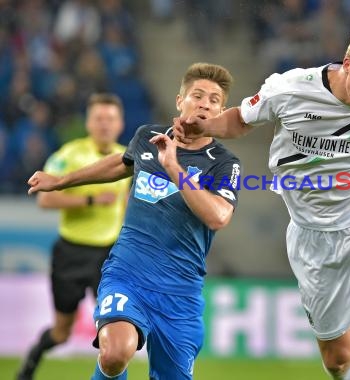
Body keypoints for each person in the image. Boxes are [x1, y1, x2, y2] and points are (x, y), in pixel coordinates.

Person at [176, 23, 350, 380]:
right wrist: (204, 127)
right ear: (347, 63)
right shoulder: (290, 88)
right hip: (313, 234)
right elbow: (240, 121)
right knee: (337, 360)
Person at [27, 63, 241, 380]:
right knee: (114, 353)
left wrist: (175, 170)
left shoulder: (224, 163)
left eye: (213, 99)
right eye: (197, 95)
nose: (204, 103)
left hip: (179, 291)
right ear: (180, 100)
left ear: (221, 111)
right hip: (128, 273)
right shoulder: (147, 138)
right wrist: (61, 180)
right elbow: (122, 162)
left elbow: (218, 216)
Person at [17, 93, 130, 380]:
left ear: (120, 124)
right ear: (89, 123)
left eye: (110, 119)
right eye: (99, 119)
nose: (105, 125)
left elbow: (129, 203)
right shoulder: (69, 155)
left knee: (113, 328)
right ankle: (31, 361)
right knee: (61, 332)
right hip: (71, 252)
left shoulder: (128, 158)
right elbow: (44, 200)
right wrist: (90, 200)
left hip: (109, 257)